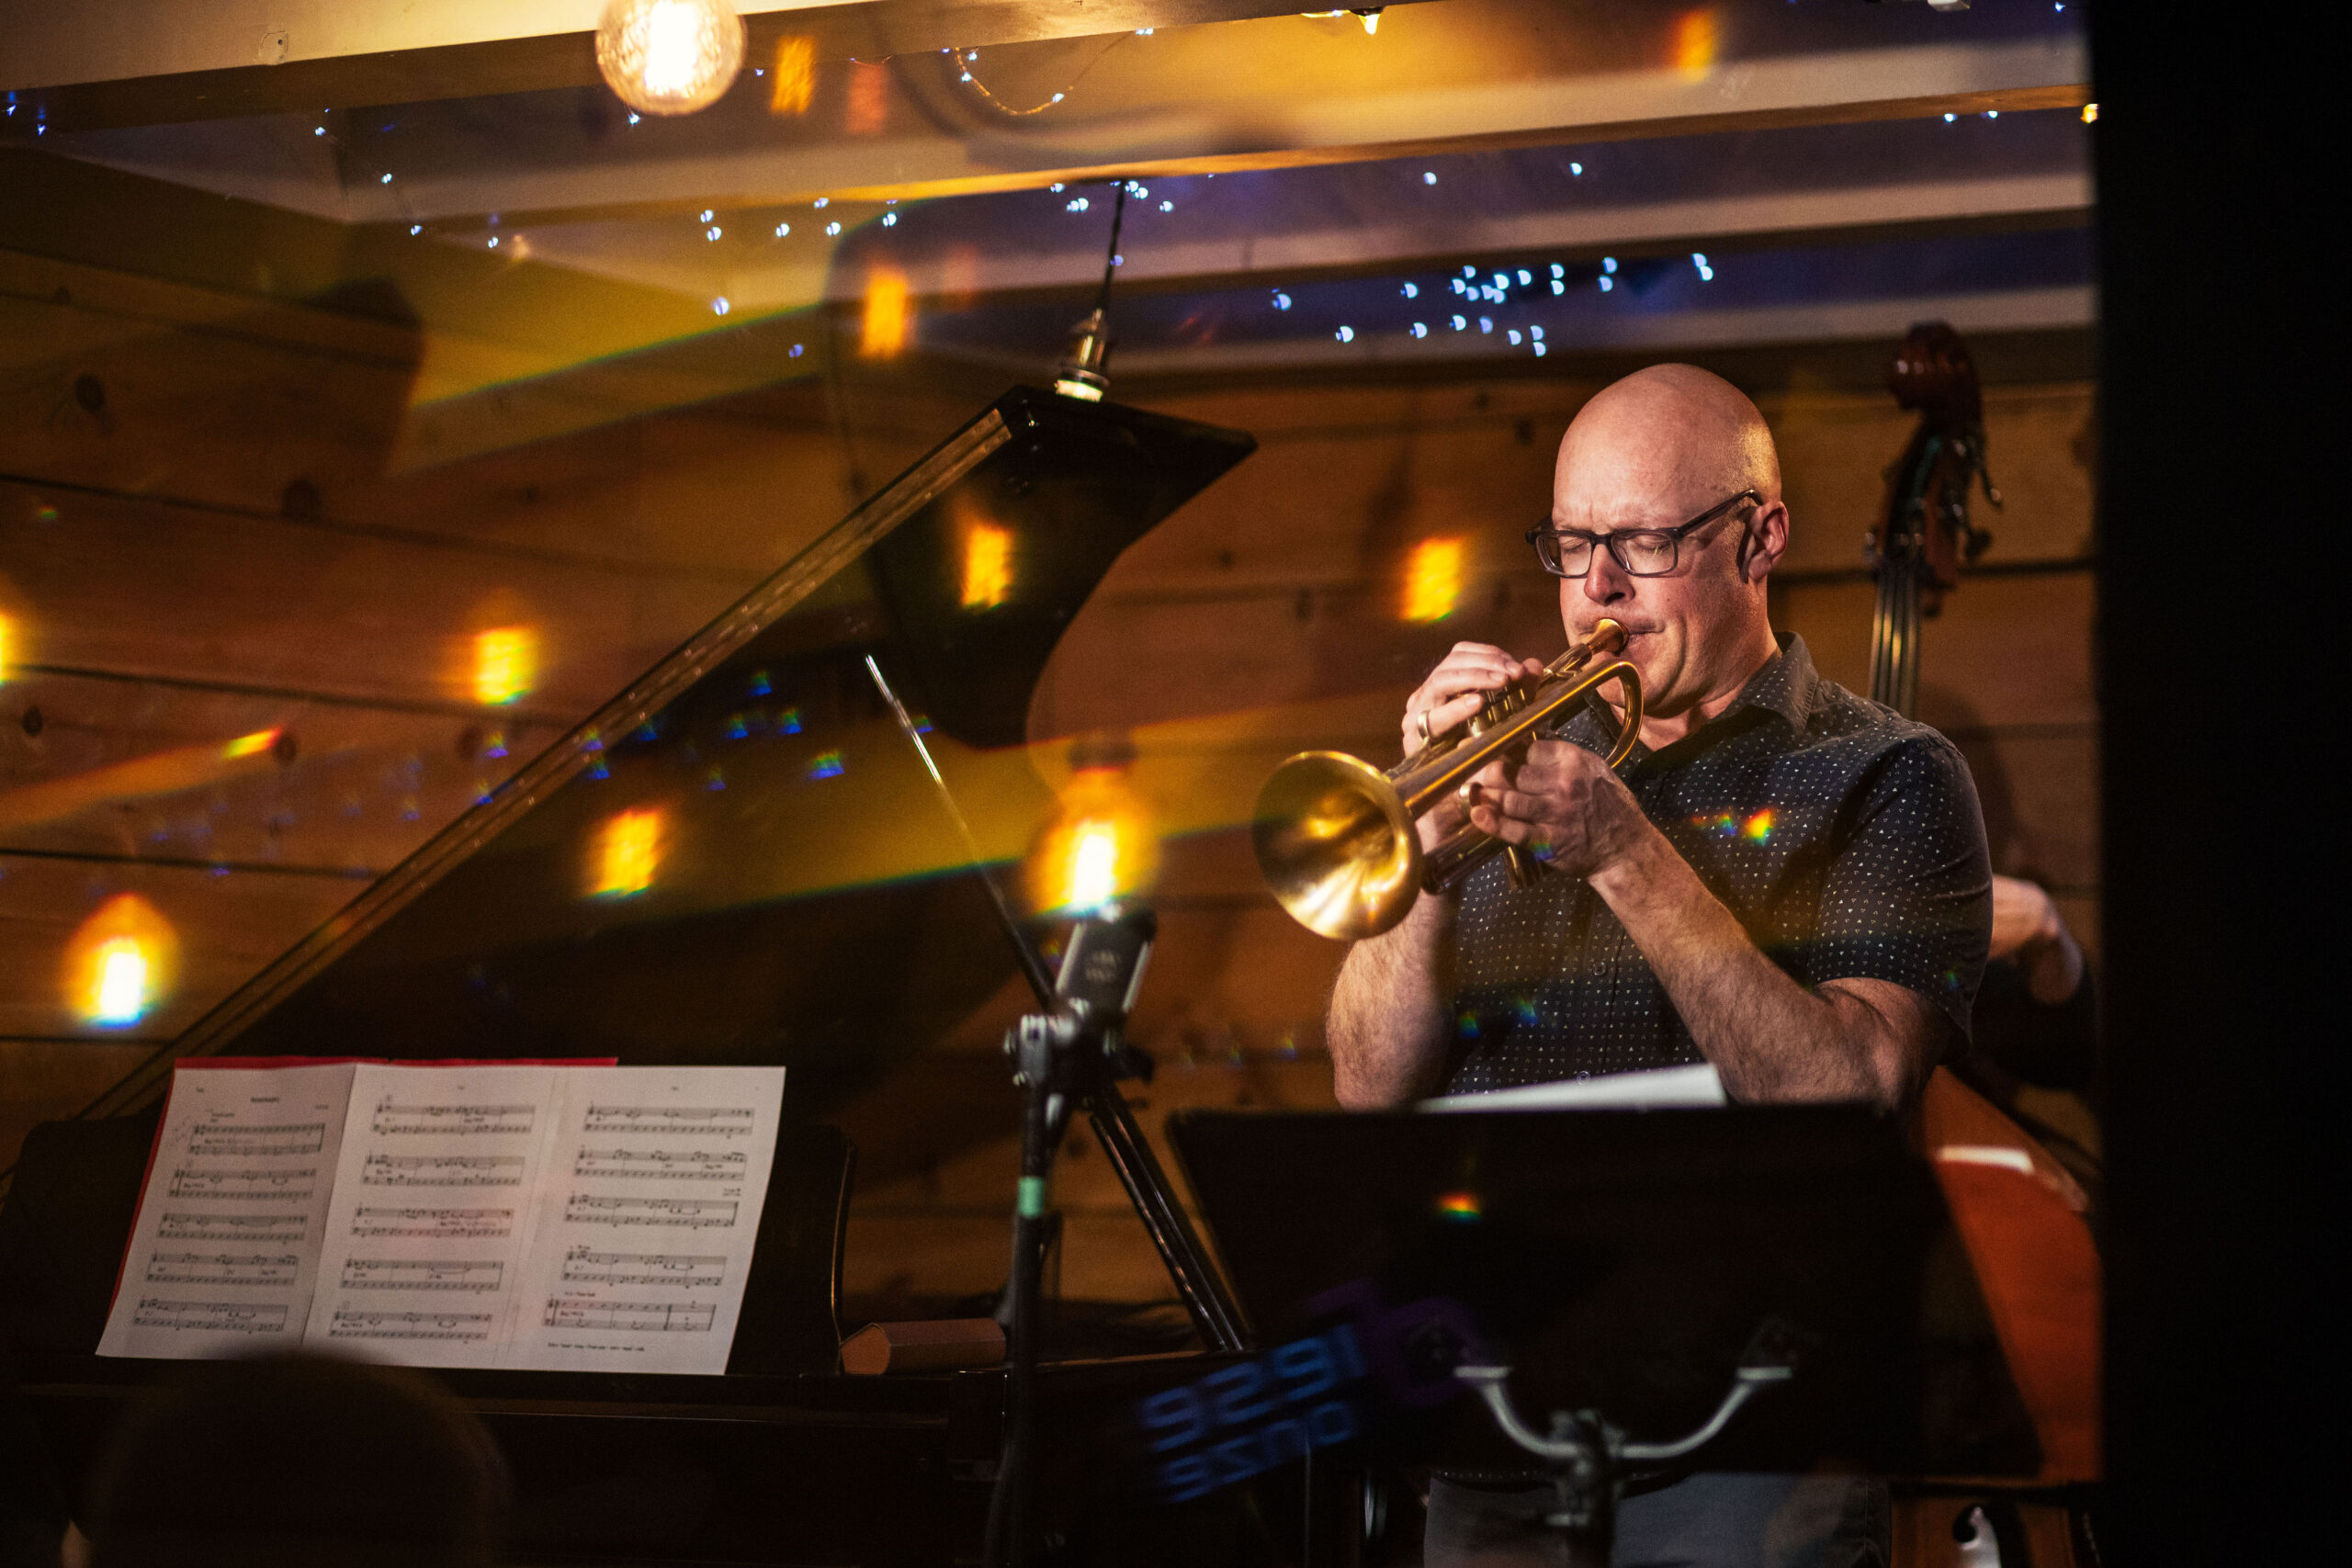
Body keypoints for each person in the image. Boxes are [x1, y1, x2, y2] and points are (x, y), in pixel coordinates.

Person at [1327, 364, 1994, 1568]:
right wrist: (1419, 856)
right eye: (1572, 544)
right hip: (1496, 1423)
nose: (1597, 590)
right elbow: (1368, 1091)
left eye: (1641, 543)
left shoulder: (1886, 774)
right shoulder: (1519, 755)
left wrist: (1629, 854)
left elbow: (1853, 1094)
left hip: (1744, 1449)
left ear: (1760, 537)